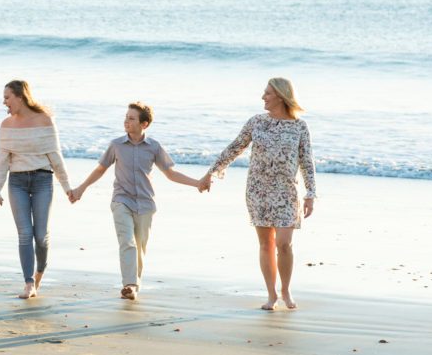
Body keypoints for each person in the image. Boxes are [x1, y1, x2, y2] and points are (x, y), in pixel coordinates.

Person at [198, 78, 317, 310]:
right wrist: (211, 173)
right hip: (258, 190)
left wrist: (311, 193)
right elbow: (234, 148)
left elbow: (306, 161)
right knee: (266, 244)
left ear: (282, 96)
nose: (263, 97)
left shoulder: (299, 126)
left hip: (286, 191)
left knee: (284, 244)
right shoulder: (256, 122)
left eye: (268, 93)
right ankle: (272, 295)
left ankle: (285, 289)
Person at [69, 102, 204, 300]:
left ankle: (134, 286)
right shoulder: (116, 145)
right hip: (121, 200)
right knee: (128, 242)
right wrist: (81, 188)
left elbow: (170, 174)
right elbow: (100, 169)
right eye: (126, 117)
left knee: (140, 248)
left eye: (131, 118)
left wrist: (197, 183)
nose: (126, 122)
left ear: (144, 124)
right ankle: (129, 284)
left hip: (145, 203)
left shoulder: (154, 147)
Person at [0, 80, 72, 299]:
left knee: (41, 236)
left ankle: (39, 274)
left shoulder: (44, 120)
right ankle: (28, 283)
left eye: (7, 97)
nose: (4, 102)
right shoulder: (6, 125)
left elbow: (55, 156)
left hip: (42, 180)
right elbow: (2, 161)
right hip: (16, 181)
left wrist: (67, 187)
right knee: (25, 234)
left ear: (20, 97)